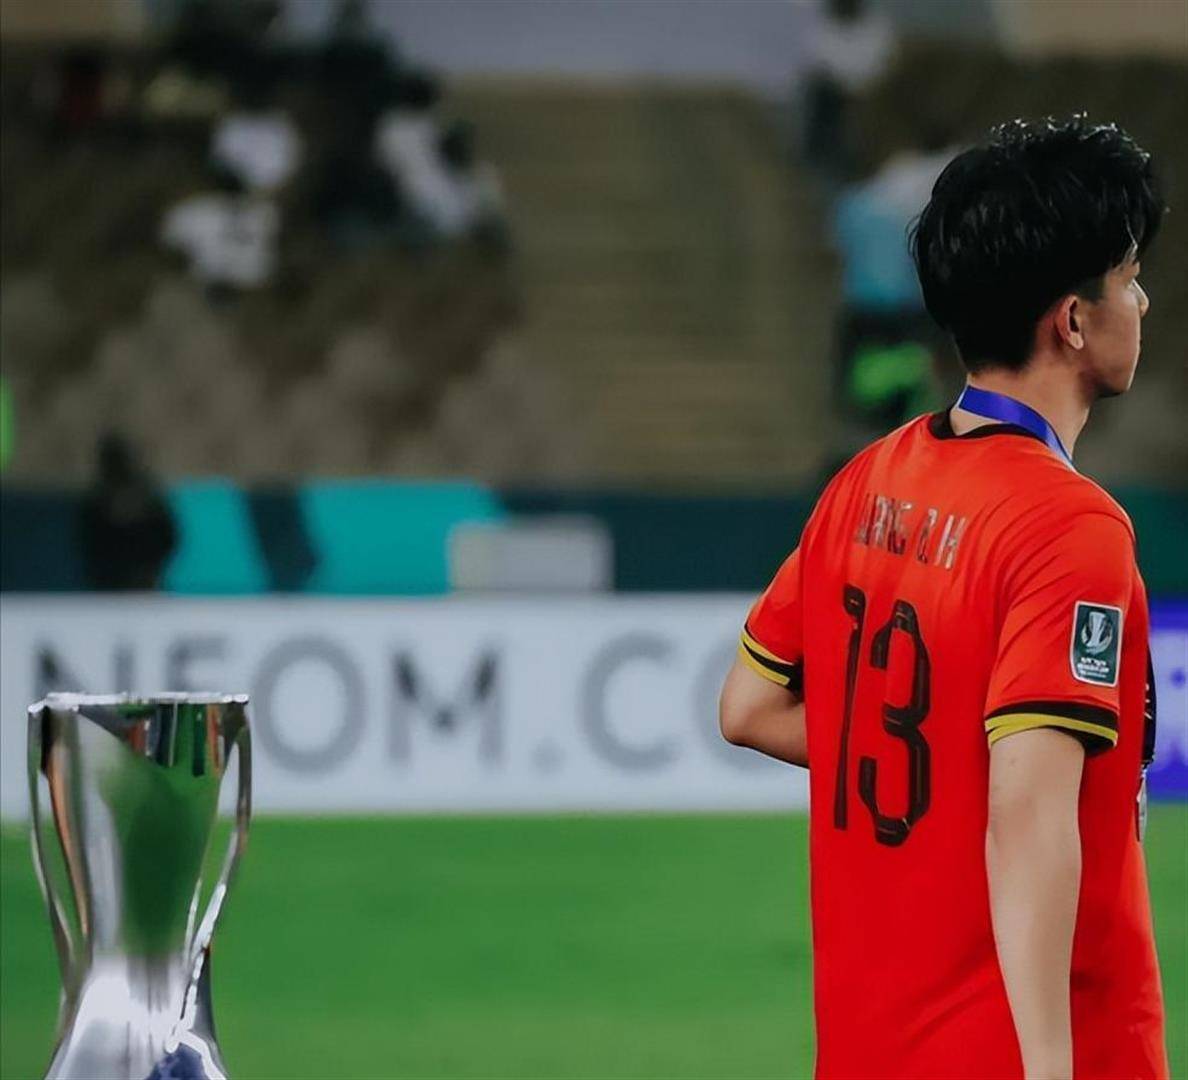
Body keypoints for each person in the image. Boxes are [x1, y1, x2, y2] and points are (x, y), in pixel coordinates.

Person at [719, 116, 1167, 1079]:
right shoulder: (1070, 527)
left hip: (867, 1046)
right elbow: (1030, 817)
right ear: (1073, 320)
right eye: (1128, 276)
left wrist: (938, 769)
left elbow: (748, 707)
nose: (1142, 299)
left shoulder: (869, 479)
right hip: (1009, 1050)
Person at [81, 433, 178, 591]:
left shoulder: (150, 500)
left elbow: (168, 539)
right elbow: (90, 547)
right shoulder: (95, 505)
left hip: (147, 579)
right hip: (108, 583)